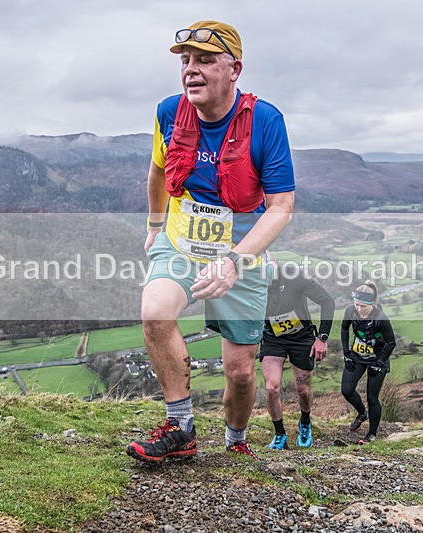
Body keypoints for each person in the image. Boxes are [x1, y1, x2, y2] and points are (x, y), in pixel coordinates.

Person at [127, 20, 295, 463]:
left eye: (204, 60)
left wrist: (236, 260)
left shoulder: (265, 121)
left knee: (240, 372)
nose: (191, 70)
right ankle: (180, 427)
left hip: (242, 253)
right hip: (181, 243)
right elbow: (160, 172)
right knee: (155, 313)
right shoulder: (168, 111)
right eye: (185, 61)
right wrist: (154, 225)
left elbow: (280, 206)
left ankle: (236, 439)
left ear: (234, 68)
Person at [260, 259, 335, 449]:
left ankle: (305, 422)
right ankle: (279, 434)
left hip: (301, 337)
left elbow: (327, 301)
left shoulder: (293, 275)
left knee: (303, 389)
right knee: (271, 388)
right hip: (272, 337)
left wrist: (322, 338)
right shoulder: (253, 279)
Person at [340, 281, 396, 444]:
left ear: (371, 304)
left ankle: (371, 434)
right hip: (357, 355)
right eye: (357, 304)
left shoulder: (380, 318)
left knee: (372, 397)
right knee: (347, 390)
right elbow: (344, 329)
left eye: (363, 306)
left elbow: (391, 343)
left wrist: (379, 362)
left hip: (377, 359)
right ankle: (361, 413)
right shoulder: (351, 311)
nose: (359, 309)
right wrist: (346, 352)